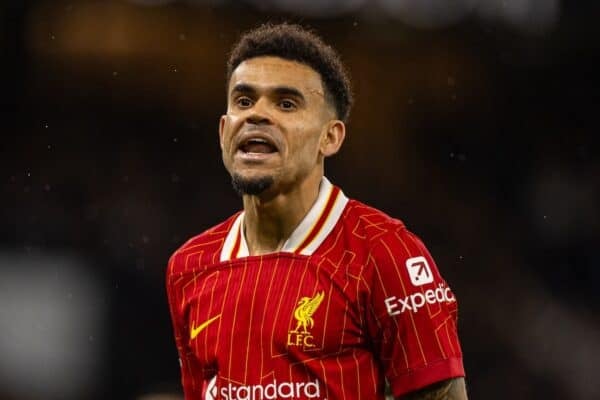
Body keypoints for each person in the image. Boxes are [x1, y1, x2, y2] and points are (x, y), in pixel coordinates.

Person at [166, 22, 467, 400]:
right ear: (223, 129)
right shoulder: (189, 266)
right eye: (244, 101)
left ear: (330, 137)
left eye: (286, 103)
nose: (257, 115)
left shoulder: (385, 252)